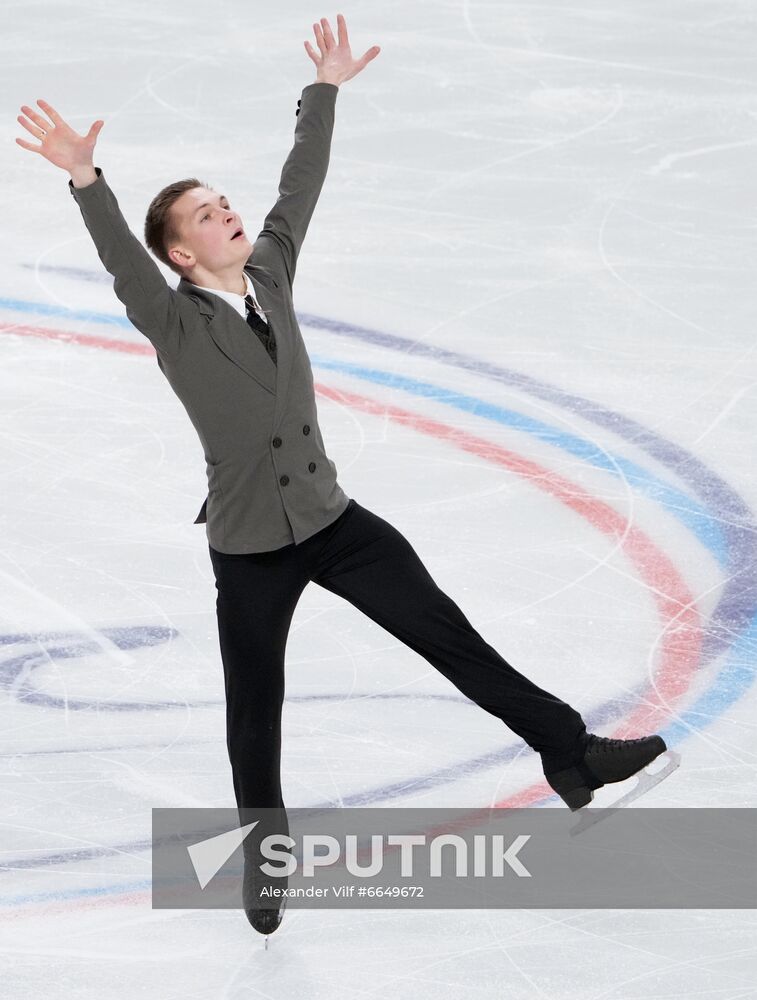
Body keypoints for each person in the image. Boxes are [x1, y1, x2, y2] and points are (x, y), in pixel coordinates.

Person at [15, 13, 668, 940]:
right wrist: (86, 179)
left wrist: (321, 91)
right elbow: (120, 259)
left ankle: (569, 755)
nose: (227, 213)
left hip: (333, 520)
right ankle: (265, 862)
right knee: (255, 716)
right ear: (180, 254)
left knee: (451, 636)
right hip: (248, 547)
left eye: (221, 202)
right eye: (204, 214)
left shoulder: (271, 273)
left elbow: (298, 184)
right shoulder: (174, 323)